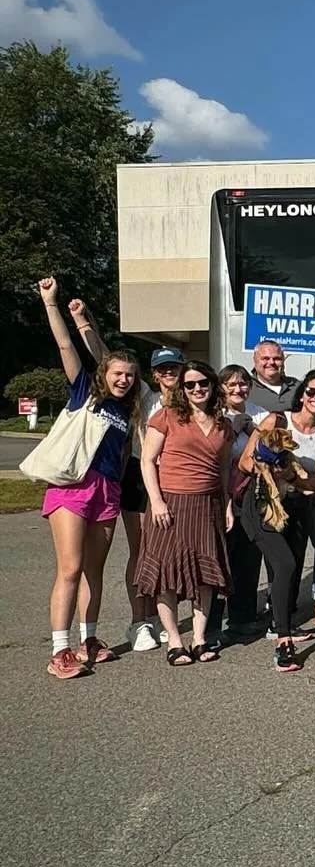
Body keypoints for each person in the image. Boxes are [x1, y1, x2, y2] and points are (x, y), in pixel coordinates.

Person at [35, 277, 144, 679]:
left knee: (94, 571)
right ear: (105, 373)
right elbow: (68, 347)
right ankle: (60, 650)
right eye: (117, 373)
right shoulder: (86, 391)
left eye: (130, 375)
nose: (123, 379)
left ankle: (89, 639)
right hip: (73, 486)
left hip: (108, 490)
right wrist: (53, 304)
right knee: (70, 568)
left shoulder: (128, 408)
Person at [238, 369, 315, 672]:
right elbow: (244, 462)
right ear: (302, 393)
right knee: (284, 564)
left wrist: (294, 480)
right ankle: (283, 643)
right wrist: (272, 468)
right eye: (312, 391)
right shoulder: (277, 420)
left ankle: (280, 622)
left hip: (299, 505)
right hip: (264, 503)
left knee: (293, 566)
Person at [136, 361, 232, 666]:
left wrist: (228, 503)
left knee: (205, 574)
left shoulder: (223, 423)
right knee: (167, 574)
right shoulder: (166, 416)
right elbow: (148, 461)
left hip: (208, 504)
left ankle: (199, 639)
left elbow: (225, 468)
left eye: (202, 382)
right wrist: (157, 501)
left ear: (212, 384)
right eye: (189, 385)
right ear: (182, 389)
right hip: (170, 504)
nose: (197, 389)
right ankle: (174, 641)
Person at [216, 364, 267, 636]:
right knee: (221, 556)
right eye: (231, 384)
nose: (238, 389)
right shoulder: (214, 413)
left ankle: (243, 616)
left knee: (248, 556)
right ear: (222, 388)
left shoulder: (258, 411)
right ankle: (212, 621)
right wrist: (236, 430)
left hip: (251, 492)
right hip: (222, 492)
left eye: (243, 384)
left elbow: (270, 443)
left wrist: (253, 428)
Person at [248, 339, 298, 412]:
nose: (271, 362)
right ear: (255, 360)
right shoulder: (245, 388)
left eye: (277, 359)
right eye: (265, 358)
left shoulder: (297, 386)